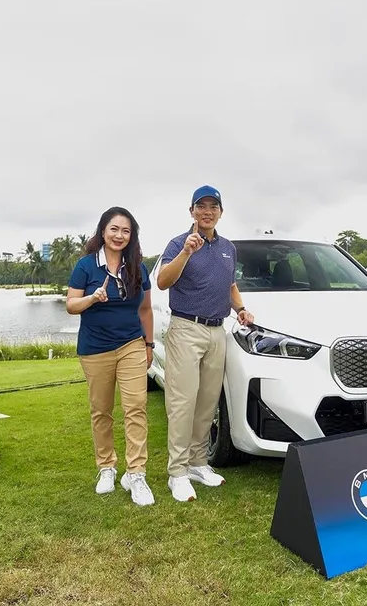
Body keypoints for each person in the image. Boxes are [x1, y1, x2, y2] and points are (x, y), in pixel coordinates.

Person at [155, 185, 254, 503]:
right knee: (182, 403)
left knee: (207, 402)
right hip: (186, 328)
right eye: (201, 206)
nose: (207, 211)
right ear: (192, 211)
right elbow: (162, 281)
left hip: (217, 331)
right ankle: (178, 472)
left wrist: (240, 308)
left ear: (221, 212)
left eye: (214, 206)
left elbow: (231, 284)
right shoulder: (178, 243)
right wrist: (186, 251)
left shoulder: (228, 248)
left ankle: (198, 463)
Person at [66, 206, 155, 507]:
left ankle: (136, 473)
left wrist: (149, 345)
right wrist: (91, 298)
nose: (119, 235)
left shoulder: (138, 268)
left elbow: (145, 309)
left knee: (136, 408)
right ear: (103, 231)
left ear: (132, 236)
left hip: (131, 343)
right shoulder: (86, 266)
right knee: (101, 411)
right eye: (114, 229)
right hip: (95, 348)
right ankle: (107, 467)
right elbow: (71, 305)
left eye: (126, 231)